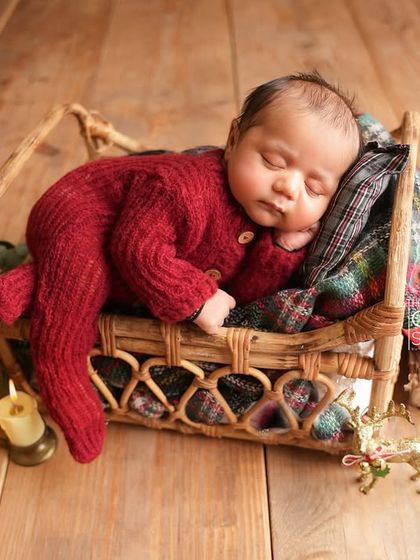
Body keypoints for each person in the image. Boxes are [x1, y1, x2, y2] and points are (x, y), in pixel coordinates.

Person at [0, 72, 362, 462]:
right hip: (80, 210)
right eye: (274, 162)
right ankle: (61, 370)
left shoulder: (263, 219)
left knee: (85, 278)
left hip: (113, 256)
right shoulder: (182, 187)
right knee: (76, 295)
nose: (288, 189)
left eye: (314, 189)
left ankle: (21, 285)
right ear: (234, 138)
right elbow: (137, 249)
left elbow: (247, 296)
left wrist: (280, 249)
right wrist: (195, 298)